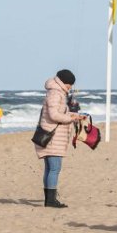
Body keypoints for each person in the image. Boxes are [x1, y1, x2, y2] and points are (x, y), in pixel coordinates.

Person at [33, 69, 86, 208]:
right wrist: (70, 119)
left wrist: (74, 115)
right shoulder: (55, 93)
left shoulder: (57, 92)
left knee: (50, 168)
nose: (70, 87)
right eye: (70, 84)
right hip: (53, 137)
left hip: (53, 135)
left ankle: (49, 199)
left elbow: (59, 112)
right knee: (55, 168)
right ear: (64, 82)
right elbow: (54, 115)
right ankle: (50, 200)